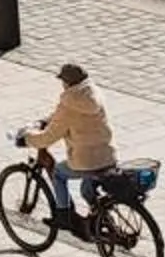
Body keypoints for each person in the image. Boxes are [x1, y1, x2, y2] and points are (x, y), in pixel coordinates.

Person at [17, 63, 118, 230]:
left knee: (58, 173)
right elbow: (62, 118)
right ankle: (103, 220)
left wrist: (26, 139)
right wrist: (45, 121)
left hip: (87, 161)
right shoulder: (93, 95)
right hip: (108, 155)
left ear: (67, 83)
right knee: (87, 190)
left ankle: (63, 215)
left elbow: (48, 137)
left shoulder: (70, 103)